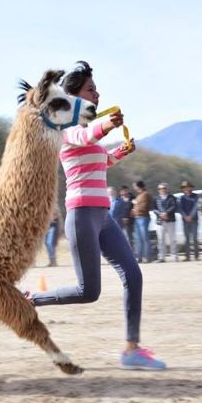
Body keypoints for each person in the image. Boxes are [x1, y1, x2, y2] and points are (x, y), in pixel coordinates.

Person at [28, 61, 165, 370]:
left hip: (103, 216)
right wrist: (107, 126)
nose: (98, 93)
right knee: (88, 291)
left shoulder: (87, 129)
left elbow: (98, 160)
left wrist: (119, 152)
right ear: (75, 96)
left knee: (133, 275)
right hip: (80, 215)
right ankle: (30, 299)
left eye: (97, 88)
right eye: (91, 89)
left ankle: (132, 349)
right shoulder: (66, 126)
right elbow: (84, 137)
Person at [153, 182, 178, 263]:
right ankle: (161, 257)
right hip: (160, 221)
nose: (162, 190)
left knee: (172, 239)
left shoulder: (172, 197)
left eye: (164, 188)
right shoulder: (156, 198)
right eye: (160, 188)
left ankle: (174, 256)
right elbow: (154, 208)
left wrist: (166, 213)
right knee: (160, 240)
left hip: (170, 221)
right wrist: (160, 214)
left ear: (167, 189)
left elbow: (174, 206)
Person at [131, 181, 153, 263]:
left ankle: (148, 257)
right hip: (137, 218)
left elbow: (144, 206)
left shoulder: (146, 194)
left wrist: (135, 210)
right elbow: (136, 205)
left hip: (143, 218)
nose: (134, 188)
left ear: (138, 186)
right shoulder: (139, 195)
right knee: (138, 239)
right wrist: (134, 210)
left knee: (145, 238)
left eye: (135, 186)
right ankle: (139, 257)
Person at [178, 180, 200, 261]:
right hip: (185, 221)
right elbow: (180, 209)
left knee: (194, 238)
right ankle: (187, 256)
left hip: (194, 220)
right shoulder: (181, 198)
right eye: (184, 188)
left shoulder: (196, 196)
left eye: (187, 187)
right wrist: (185, 217)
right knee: (187, 239)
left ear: (191, 188)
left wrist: (191, 216)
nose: (186, 189)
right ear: (183, 189)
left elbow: (196, 207)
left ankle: (196, 256)